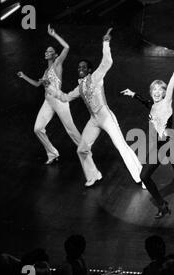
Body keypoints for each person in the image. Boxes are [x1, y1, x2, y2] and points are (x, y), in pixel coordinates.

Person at [50, 28, 143, 187]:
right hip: (94, 120)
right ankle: (93, 175)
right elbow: (65, 98)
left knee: (121, 146)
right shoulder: (79, 88)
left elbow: (107, 62)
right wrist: (53, 91)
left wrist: (106, 43)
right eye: (79, 68)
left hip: (106, 117)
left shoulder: (96, 77)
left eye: (83, 67)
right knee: (82, 149)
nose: (80, 70)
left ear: (89, 70)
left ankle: (142, 177)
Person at [121, 58, 174, 221]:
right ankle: (162, 205)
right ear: (151, 92)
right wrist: (133, 95)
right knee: (144, 176)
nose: (157, 92)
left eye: (160, 90)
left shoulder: (167, 102)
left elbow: (172, 84)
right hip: (159, 146)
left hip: (171, 144)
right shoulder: (153, 105)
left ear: (164, 92)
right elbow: (147, 103)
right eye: (154, 90)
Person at [17, 25, 83, 165]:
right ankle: (52, 153)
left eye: (50, 51)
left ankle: (85, 150)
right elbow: (37, 84)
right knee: (38, 129)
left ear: (55, 55)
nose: (47, 52)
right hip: (48, 101)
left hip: (59, 100)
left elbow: (67, 47)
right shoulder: (46, 71)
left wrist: (54, 35)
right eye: (46, 51)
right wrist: (24, 76)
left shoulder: (57, 64)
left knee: (70, 129)